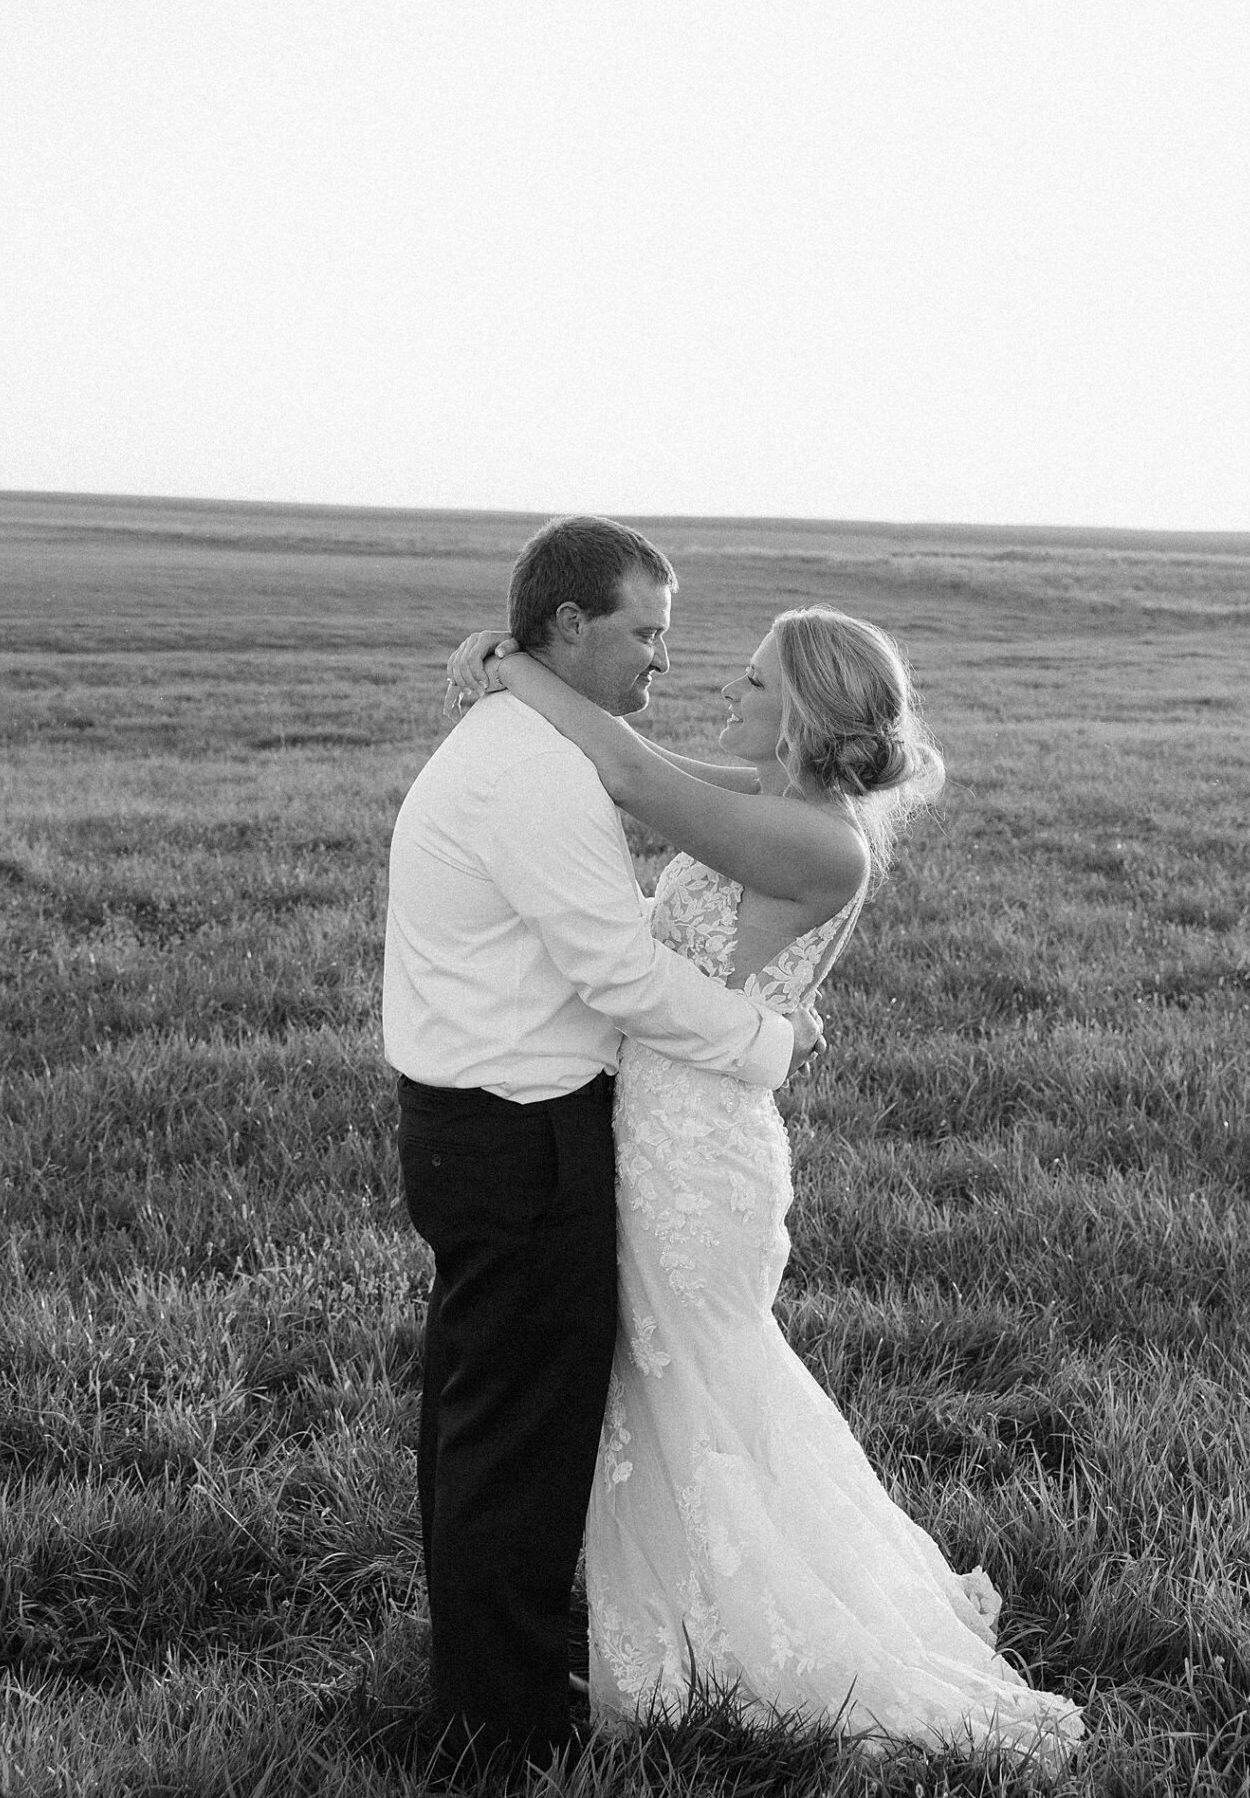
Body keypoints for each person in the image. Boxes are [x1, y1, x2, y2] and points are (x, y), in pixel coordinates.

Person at [445, 598, 1085, 1774]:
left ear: (803, 709)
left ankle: (773, 1648)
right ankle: (683, 1635)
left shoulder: (820, 839)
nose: (724, 692)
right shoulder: (776, 801)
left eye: (750, 680)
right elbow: (654, 763)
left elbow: (633, 772)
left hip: (694, 1154)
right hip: (656, 1127)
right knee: (674, 1394)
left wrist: (510, 662)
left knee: (703, 1395)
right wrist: (537, 682)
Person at [382, 516, 824, 1779]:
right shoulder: (526, 769)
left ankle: (485, 1679)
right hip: (520, 1142)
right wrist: (759, 1041)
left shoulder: (531, 738)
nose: (662, 662)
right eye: (644, 633)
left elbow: (639, 814)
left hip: (487, 1124)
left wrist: (508, 668)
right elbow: (618, 966)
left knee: (484, 1420)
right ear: (570, 626)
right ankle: (496, 1730)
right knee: (521, 1438)